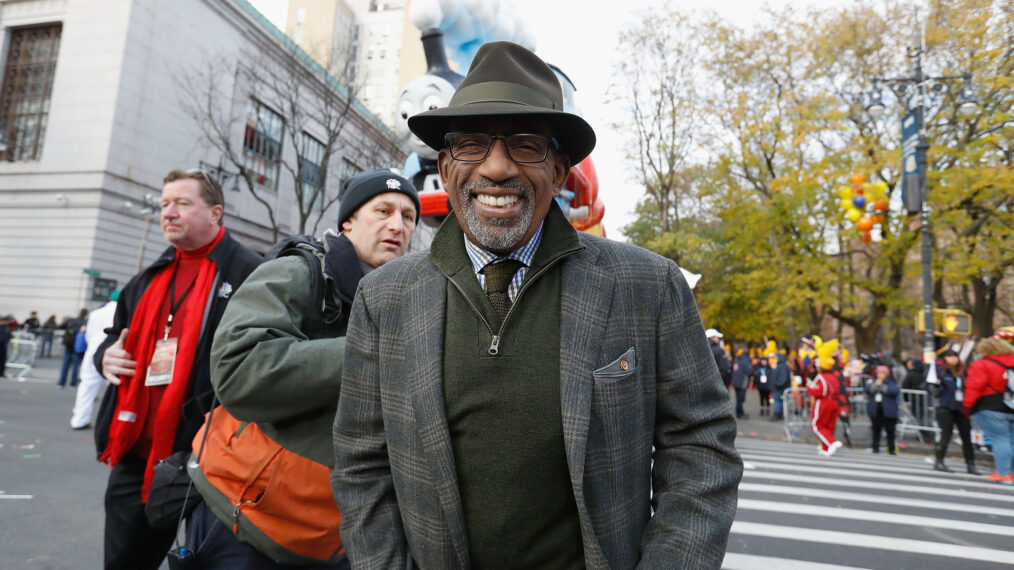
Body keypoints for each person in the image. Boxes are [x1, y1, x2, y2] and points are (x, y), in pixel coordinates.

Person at [331, 41, 742, 570]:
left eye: (526, 145)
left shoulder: (649, 285)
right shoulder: (385, 297)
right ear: (446, 163)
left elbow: (701, 446)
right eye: (473, 145)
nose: (497, 168)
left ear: (560, 168)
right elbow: (361, 464)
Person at [186, 169, 420, 568]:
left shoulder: (407, 301)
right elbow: (237, 371)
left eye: (408, 217)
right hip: (244, 527)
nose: (396, 225)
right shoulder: (299, 271)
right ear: (348, 220)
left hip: (331, 540)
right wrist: (367, 350)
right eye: (382, 211)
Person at [92, 168, 261, 569]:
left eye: (182, 203)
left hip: (210, 459)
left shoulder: (249, 273)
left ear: (216, 213)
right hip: (136, 453)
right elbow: (114, 335)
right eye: (165, 203)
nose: (168, 212)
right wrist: (104, 356)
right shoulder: (149, 276)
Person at [961, 337, 1014, 485]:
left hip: (989, 406)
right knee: (1011, 441)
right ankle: (1009, 472)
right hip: (1011, 406)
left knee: (1000, 440)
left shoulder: (982, 364)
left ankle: (1003, 474)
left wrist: (967, 405)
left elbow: (975, 386)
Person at [70, 291, 119, 430]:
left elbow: (89, 335)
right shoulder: (124, 311)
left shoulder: (95, 313)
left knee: (87, 386)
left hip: (93, 351)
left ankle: (79, 419)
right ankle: (112, 423)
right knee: (115, 388)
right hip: (113, 352)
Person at [930, 349, 978, 474]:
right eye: (949, 356)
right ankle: (939, 462)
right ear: (944, 358)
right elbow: (930, 387)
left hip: (962, 407)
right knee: (946, 435)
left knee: (966, 437)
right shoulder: (940, 371)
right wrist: (936, 387)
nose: (953, 359)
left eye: (954, 356)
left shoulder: (963, 372)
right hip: (945, 407)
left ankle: (971, 464)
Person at [808, 339, 843, 457]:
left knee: (817, 426)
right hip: (834, 403)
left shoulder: (822, 377)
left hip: (823, 403)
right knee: (828, 425)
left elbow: (819, 391)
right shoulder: (833, 377)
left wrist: (809, 388)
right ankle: (825, 447)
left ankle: (832, 442)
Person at [864, 365, 900, 455]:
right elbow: (867, 389)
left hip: (888, 411)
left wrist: (883, 386)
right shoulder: (872, 381)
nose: (880, 375)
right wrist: (876, 385)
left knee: (890, 430)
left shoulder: (890, 382)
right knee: (876, 429)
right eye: (879, 373)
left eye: (882, 373)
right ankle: (875, 446)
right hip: (876, 410)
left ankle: (891, 448)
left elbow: (894, 391)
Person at [57, 308, 88, 388]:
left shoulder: (72, 320)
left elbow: (60, 326)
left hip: (69, 343)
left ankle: (61, 382)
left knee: (65, 364)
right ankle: (72, 383)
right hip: (78, 345)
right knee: (75, 365)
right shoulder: (85, 322)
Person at [901, 358, 928, 425]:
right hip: (923, 399)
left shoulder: (911, 374)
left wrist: (906, 400)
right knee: (921, 417)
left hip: (914, 399)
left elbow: (904, 386)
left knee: (918, 418)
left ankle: (923, 433)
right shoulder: (924, 374)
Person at [732, 347, 753, 419]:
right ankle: (739, 413)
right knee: (741, 399)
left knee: (738, 399)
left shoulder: (736, 360)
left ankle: (739, 412)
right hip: (742, 383)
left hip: (735, 383)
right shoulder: (745, 361)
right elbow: (749, 372)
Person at [770, 352, 791, 421]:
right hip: (779, 387)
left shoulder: (782, 366)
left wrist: (777, 384)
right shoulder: (781, 365)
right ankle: (779, 414)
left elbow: (783, 378)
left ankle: (777, 414)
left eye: (776, 358)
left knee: (778, 401)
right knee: (779, 401)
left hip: (779, 388)